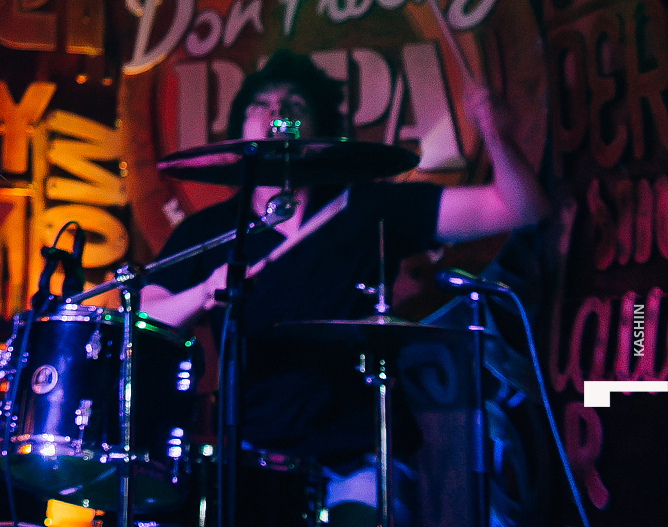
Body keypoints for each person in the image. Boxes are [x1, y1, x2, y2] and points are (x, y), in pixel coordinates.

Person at [140, 50, 548, 527]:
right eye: (261, 104)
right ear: (239, 130)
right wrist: (205, 292)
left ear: (318, 129)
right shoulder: (210, 231)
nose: (278, 112)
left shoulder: (368, 207)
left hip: (361, 454)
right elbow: (146, 315)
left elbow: (519, 209)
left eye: (295, 105)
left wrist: (496, 135)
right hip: (253, 454)